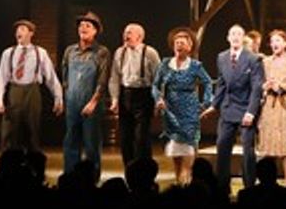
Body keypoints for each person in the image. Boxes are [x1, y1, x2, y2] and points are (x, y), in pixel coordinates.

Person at [153, 27, 214, 185]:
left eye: (182, 43)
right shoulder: (165, 64)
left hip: (190, 111)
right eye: (176, 43)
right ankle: (179, 182)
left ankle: (186, 182)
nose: (179, 45)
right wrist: (159, 99)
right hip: (171, 111)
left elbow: (208, 82)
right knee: (175, 149)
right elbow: (155, 85)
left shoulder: (195, 66)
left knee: (188, 146)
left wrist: (206, 102)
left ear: (189, 47)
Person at [0, 19, 63, 152]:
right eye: (17, 30)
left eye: (22, 29)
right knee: (10, 128)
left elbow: (51, 77)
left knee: (33, 128)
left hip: (33, 90)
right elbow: (1, 78)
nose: (18, 32)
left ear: (31, 33)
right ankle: (8, 158)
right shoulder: (8, 53)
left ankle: (33, 158)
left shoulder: (40, 52)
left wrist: (58, 98)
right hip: (15, 90)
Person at [212, 23, 264, 191]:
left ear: (243, 38)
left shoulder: (253, 59)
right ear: (228, 38)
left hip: (245, 109)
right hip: (228, 108)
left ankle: (249, 187)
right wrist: (214, 105)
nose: (235, 37)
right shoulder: (222, 57)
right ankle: (222, 187)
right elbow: (221, 83)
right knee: (222, 146)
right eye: (232, 34)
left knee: (247, 149)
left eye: (239, 34)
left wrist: (251, 112)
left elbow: (256, 88)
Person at [59, 11, 111, 179]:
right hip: (72, 102)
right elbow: (64, 76)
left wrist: (93, 102)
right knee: (70, 141)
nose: (83, 28)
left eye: (88, 26)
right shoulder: (70, 51)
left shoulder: (101, 52)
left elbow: (103, 80)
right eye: (81, 25)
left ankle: (91, 178)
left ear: (95, 31)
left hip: (91, 103)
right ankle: (70, 176)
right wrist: (66, 97)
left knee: (91, 144)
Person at [108, 22, 160, 165]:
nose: (126, 35)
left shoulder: (150, 53)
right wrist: (114, 99)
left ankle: (143, 171)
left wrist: (158, 100)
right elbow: (114, 77)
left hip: (144, 95)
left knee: (141, 138)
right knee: (125, 138)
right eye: (125, 32)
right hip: (126, 95)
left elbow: (159, 79)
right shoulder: (120, 52)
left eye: (130, 33)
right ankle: (129, 170)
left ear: (140, 37)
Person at [258, 29, 286, 182]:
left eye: (278, 41)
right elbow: (261, 82)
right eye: (272, 41)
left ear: (285, 43)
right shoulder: (266, 62)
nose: (274, 44)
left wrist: (279, 86)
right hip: (270, 104)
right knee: (270, 143)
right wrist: (265, 87)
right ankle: (269, 180)